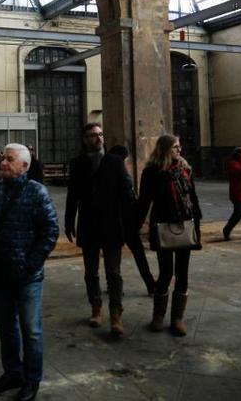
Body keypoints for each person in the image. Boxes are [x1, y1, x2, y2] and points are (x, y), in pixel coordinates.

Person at [0, 144, 58, 401]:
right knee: (6, 326)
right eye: (3, 158)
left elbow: (50, 231)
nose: (3, 163)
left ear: (24, 166)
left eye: (9, 160)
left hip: (26, 277)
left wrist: (30, 264)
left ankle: (32, 380)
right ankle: (12, 373)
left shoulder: (37, 193)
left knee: (30, 329)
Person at [65, 123, 134, 336]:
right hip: (88, 224)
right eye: (93, 135)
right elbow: (72, 195)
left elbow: (126, 193)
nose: (99, 138)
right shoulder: (77, 164)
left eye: (101, 134)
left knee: (113, 272)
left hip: (112, 223)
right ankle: (96, 308)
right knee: (91, 271)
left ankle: (116, 314)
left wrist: (130, 222)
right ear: (85, 140)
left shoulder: (114, 162)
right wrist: (69, 221)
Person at [136, 135, 202, 335]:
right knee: (166, 272)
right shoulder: (152, 172)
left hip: (184, 224)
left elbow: (193, 198)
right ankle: (158, 316)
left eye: (180, 147)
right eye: (175, 147)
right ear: (164, 149)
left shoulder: (185, 169)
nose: (179, 150)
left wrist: (197, 228)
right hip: (163, 225)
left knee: (182, 272)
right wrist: (137, 224)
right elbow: (144, 200)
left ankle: (177, 318)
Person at [109, 144, 156, 295]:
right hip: (126, 220)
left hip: (118, 220)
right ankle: (149, 284)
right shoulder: (121, 173)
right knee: (137, 253)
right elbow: (128, 197)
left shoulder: (109, 171)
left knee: (114, 257)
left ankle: (114, 286)